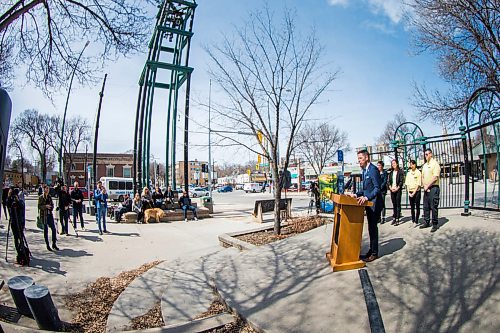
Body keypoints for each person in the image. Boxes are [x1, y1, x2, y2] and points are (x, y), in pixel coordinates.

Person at [349, 150, 382, 263]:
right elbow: (365, 189)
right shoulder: (364, 171)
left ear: (367, 158)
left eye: (361, 159)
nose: (359, 161)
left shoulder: (373, 170)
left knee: (373, 228)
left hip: (374, 204)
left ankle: (374, 253)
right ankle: (371, 250)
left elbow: (377, 189)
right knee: (370, 228)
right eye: (358, 159)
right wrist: (356, 194)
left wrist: (367, 198)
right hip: (368, 204)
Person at [421, 148, 441, 232]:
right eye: (425, 154)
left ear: (431, 154)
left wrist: (428, 186)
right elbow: (422, 176)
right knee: (426, 206)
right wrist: (424, 185)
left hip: (433, 188)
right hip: (426, 188)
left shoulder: (435, 164)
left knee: (433, 206)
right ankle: (426, 222)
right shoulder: (425, 165)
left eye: (427, 154)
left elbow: (435, 177)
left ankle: (435, 224)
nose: (426, 156)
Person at [38, 185, 59, 251]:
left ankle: (54, 244)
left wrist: (51, 207)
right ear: (44, 190)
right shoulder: (41, 197)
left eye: (48, 189)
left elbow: (52, 205)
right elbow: (39, 206)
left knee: (53, 229)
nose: (47, 190)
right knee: (46, 230)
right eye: (46, 189)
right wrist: (45, 206)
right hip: (44, 215)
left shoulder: (49, 197)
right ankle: (47, 244)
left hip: (50, 215)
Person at [6, 188, 25, 257]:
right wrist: (9, 197)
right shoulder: (10, 200)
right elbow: (7, 205)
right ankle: (18, 251)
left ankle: (22, 249)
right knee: (16, 237)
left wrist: (17, 200)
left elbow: (22, 207)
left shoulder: (20, 200)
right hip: (14, 221)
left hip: (20, 221)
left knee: (21, 237)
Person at [405, 160, 422, 224]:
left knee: (417, 206)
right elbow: (407, 184)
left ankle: (417, 219)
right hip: (410, 191)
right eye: (410, 164)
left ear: (415, 165)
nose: (411, 166)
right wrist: (409, 192)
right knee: (412, 207)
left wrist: (414, 192)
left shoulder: (418, 173)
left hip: (416, 192)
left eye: (412, 164)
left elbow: (418, 184)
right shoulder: (408, 173)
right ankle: (413, 219)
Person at [388, 159, 404, 225]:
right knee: (394, 204)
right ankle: (394, 217)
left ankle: (397, 218)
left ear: (397, 164)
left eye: (394, 163)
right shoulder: (391, 173)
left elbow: (401, 181)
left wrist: (397, 188)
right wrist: (390, 187)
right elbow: (388, 181)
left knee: (398, 204)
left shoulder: (400, 172)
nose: (393, 165)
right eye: (392, 164)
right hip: (392, 190)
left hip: (397, 190)